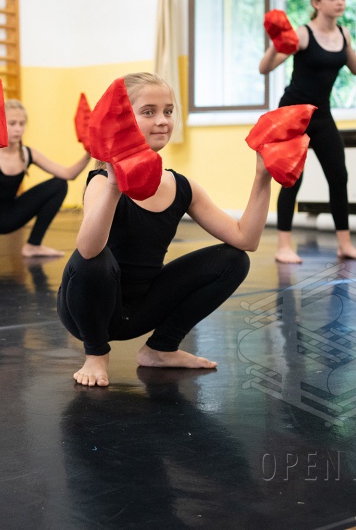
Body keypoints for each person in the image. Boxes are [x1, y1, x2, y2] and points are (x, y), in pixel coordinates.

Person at [57, 73, 272, 387]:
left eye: (168, 111)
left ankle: (162, 348)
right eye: (148, 112)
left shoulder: (182, 187)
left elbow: (246, 239)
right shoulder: (102, 182)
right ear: (124, 121)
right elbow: (88, 250)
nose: (162, 120)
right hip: (87, 312)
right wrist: (116, 186)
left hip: (140, 311)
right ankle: (96, 354)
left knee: (234, 260)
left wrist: (263, 175)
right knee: (94, 259)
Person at [259, 0, 356, 264]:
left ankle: (345, 244)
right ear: (317, 3)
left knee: (339, 176)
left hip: (322, 114)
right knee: (293, 179)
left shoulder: (344, 34)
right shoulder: (303, 34)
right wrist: (275, 44)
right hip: (293, 115)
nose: (340, 2)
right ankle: (283, 246)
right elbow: (265, 68)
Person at [0, 99, 90, 258]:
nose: (18, 129)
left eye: (21, 124)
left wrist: (89, 153)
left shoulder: (27, 153)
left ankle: (33, 245)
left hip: (10, 215)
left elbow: (68, 174)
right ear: (0, 124)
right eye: (12, 123)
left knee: (59, 184)